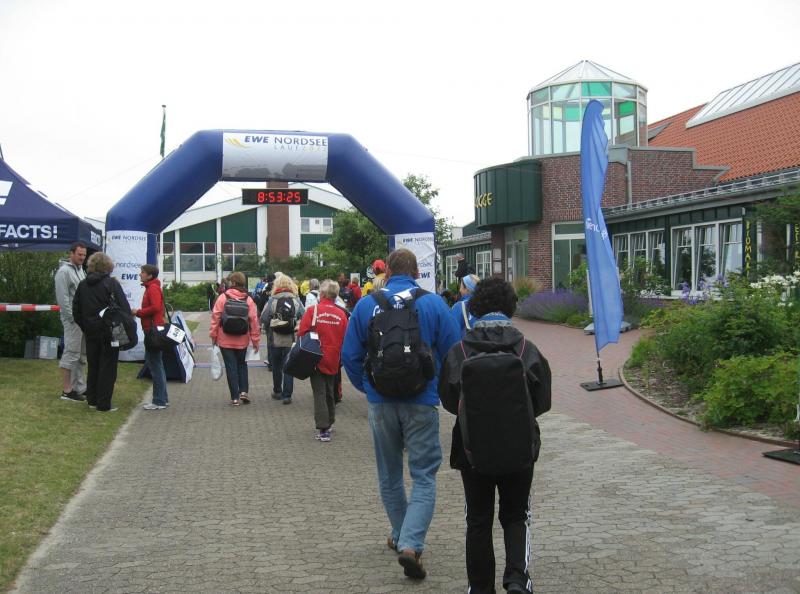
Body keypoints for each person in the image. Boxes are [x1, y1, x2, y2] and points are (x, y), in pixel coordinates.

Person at [342, 248, 460, 580]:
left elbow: (349, 355)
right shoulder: (433, 304)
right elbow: (455, 352)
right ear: (417, 273)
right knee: (424, 475)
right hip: (422, 400)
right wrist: (438, 386)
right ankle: (410, 543)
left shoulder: (366, 305)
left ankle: (401, 534)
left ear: (388, 273)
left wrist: (368, 387)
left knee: (390, 475)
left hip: (381, 402)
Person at [438, 277, 552, 594]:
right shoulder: (527, 349)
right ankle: (517, 579)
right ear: (511, 307)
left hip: (472, 450)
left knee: (478, 519)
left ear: (475, 307)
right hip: (519, 448)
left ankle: (480, 588)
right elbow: (543, 401)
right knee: (516, 515)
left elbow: (447, 399)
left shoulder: (459, 351)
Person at [72, 252, 131, 413]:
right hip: (109, 331)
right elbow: (124, 308)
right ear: (108, 266)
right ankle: (103, 403)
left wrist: (85, 326)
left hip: (90, 331)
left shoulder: (83, 285)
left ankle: (92, 400)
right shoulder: (111, 284)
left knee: (93, 365)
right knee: (108, 367)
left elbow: (76, 310)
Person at [296, 279, 348, 441]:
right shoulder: (342, 314)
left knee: (319, 392)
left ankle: (323, 428)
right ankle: (330, 421)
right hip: (334, 357)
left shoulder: (313, 311)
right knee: (330, 390)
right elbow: (346, 337)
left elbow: (302, 333)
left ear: (323, 294)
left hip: (315, 356)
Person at [209, 272, 260, 406]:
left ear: (233, 283)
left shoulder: (223, 298)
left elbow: (215, 318)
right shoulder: (248, 300)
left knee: (231, 367)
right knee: (242, 364)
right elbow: (254, 321)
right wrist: (255, 341)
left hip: (225, 339)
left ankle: (235, 398)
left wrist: (213, 336)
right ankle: (244, 392)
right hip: (242, 339)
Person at [260, 274, 304, 404]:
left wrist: (273, 322)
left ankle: (277, 391)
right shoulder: (296, 300)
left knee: (276, 366)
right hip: (291, 339)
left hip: (275, 339)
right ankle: (287, 395)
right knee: (288, 366)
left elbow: (263, 317)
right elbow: (305, 315)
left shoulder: (272, 299)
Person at [131, 264, 169, 410]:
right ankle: (163, 398)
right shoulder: (152, 287)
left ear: (150, 275)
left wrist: (138, 312)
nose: (140, 274)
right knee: (156, 363)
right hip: (153, 329)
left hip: (153, 331)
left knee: (155, 364)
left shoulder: (152, 288)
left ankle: (159, 401)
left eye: (142, 272)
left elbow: (156, 307)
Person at [54, 241, 88, 403]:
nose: (82, 257)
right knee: (71, 353)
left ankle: (80, 387)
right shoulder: (63, 272)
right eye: (79, 254)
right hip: (73, 321)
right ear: (71, 254)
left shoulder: (81, 270)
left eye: (84, 255)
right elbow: (63, 299)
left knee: (81, 355)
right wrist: (73, 319)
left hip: (81, 320)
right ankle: (67, 391)